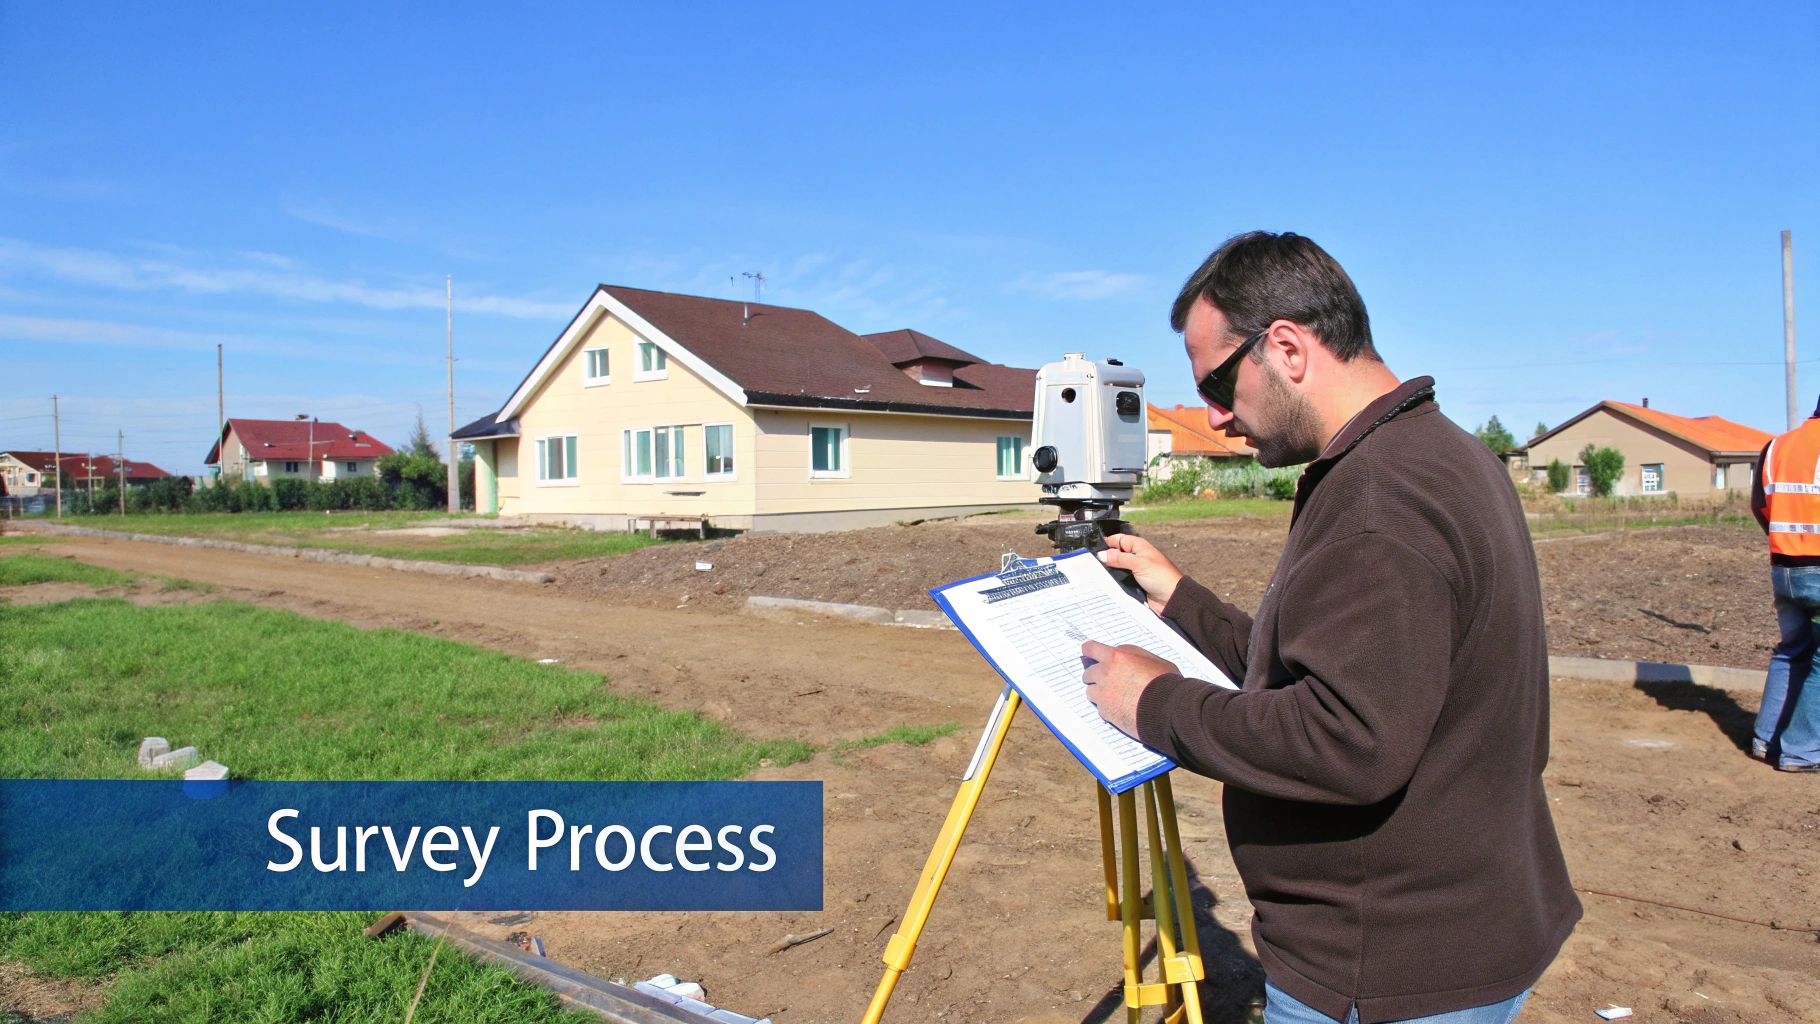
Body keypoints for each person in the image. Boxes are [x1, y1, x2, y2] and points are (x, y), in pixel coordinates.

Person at [1079, 231, 1580, 1024]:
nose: (1215, 415)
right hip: (1455, 926)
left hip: (1384, 964)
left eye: (1217, 381)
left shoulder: (1378, 500)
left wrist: (1155, 704)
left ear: (1286, 346)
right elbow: (1335, 672)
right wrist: (1180, 599)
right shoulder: (1439, 453)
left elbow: (1346, 739)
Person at [1748, 400, 1820, 772]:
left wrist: (1783, 544)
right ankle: (1803, 751)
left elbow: (1759, 505)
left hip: (1784, 570)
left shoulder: (1776, 446)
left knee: (1791, 651)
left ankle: (1766, 740)